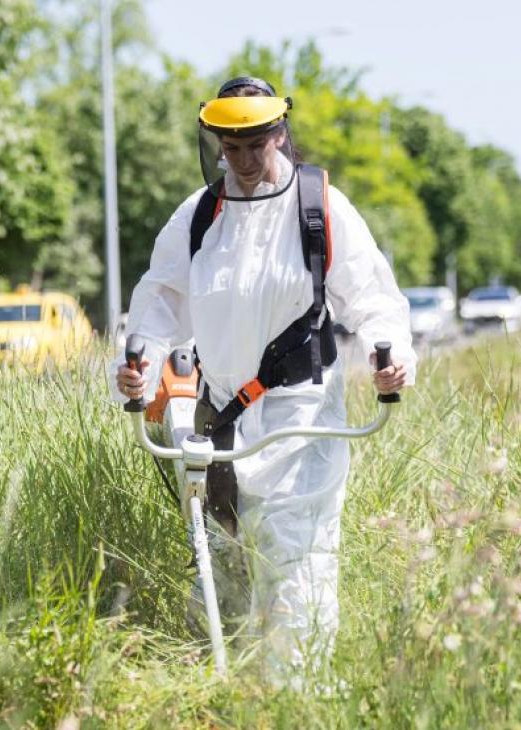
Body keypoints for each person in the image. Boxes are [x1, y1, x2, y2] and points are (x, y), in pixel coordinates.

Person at [112, 76, 416, 687]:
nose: (247, 160)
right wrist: (136, 364)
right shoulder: (199, 216)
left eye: (257, 144)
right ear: (216, 145)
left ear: (280, 133)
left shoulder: (318, 205)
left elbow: (374, 298)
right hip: (217, 415)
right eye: (233, 147)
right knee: (226, 566)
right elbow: (160, 299)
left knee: (295, 560)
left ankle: (295, 701)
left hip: (301, 414)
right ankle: (237, 696)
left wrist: (392, 358)